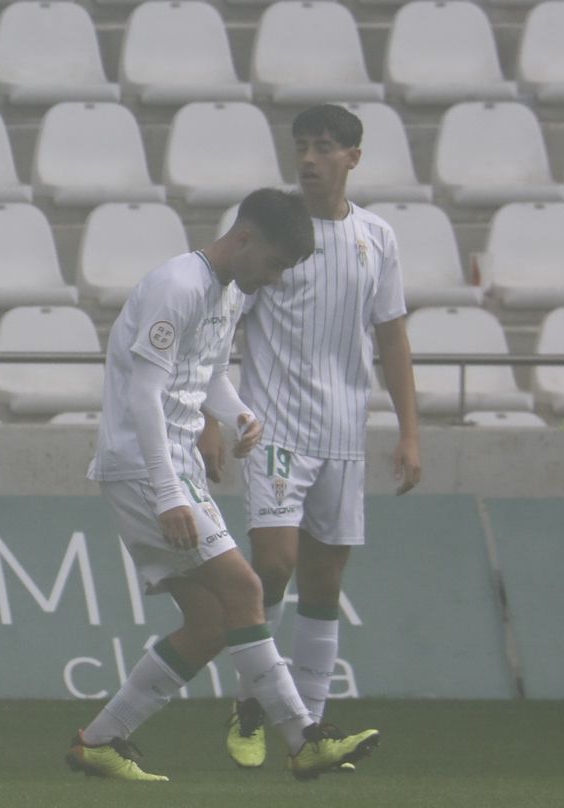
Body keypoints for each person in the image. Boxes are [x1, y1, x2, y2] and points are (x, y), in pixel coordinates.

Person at [69, 188, 380, 782]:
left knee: (213, 623)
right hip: (145, 466)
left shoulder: (229, 291)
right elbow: (143, 395)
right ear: (244, 238)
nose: (275, 278)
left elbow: (206, 373)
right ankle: (304, 737)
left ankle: (100, 741)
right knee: (245, 588)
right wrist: (168, 493)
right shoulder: (178, 285)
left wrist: (238, 415)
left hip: (172, 463)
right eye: (274, 264)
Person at [201, 104, 421, 769]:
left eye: (323, 147)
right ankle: (250, 704)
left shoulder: (377, 236)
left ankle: (312, 731)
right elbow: (218, 326)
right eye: (301, 146)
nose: (308, 159)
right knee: (273, 566)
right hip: (272, 428)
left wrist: (410, 432)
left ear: (353, 157)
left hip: (345, 431)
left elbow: (392, 337)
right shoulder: (269, 230)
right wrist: (210, 417)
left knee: (324, 583)